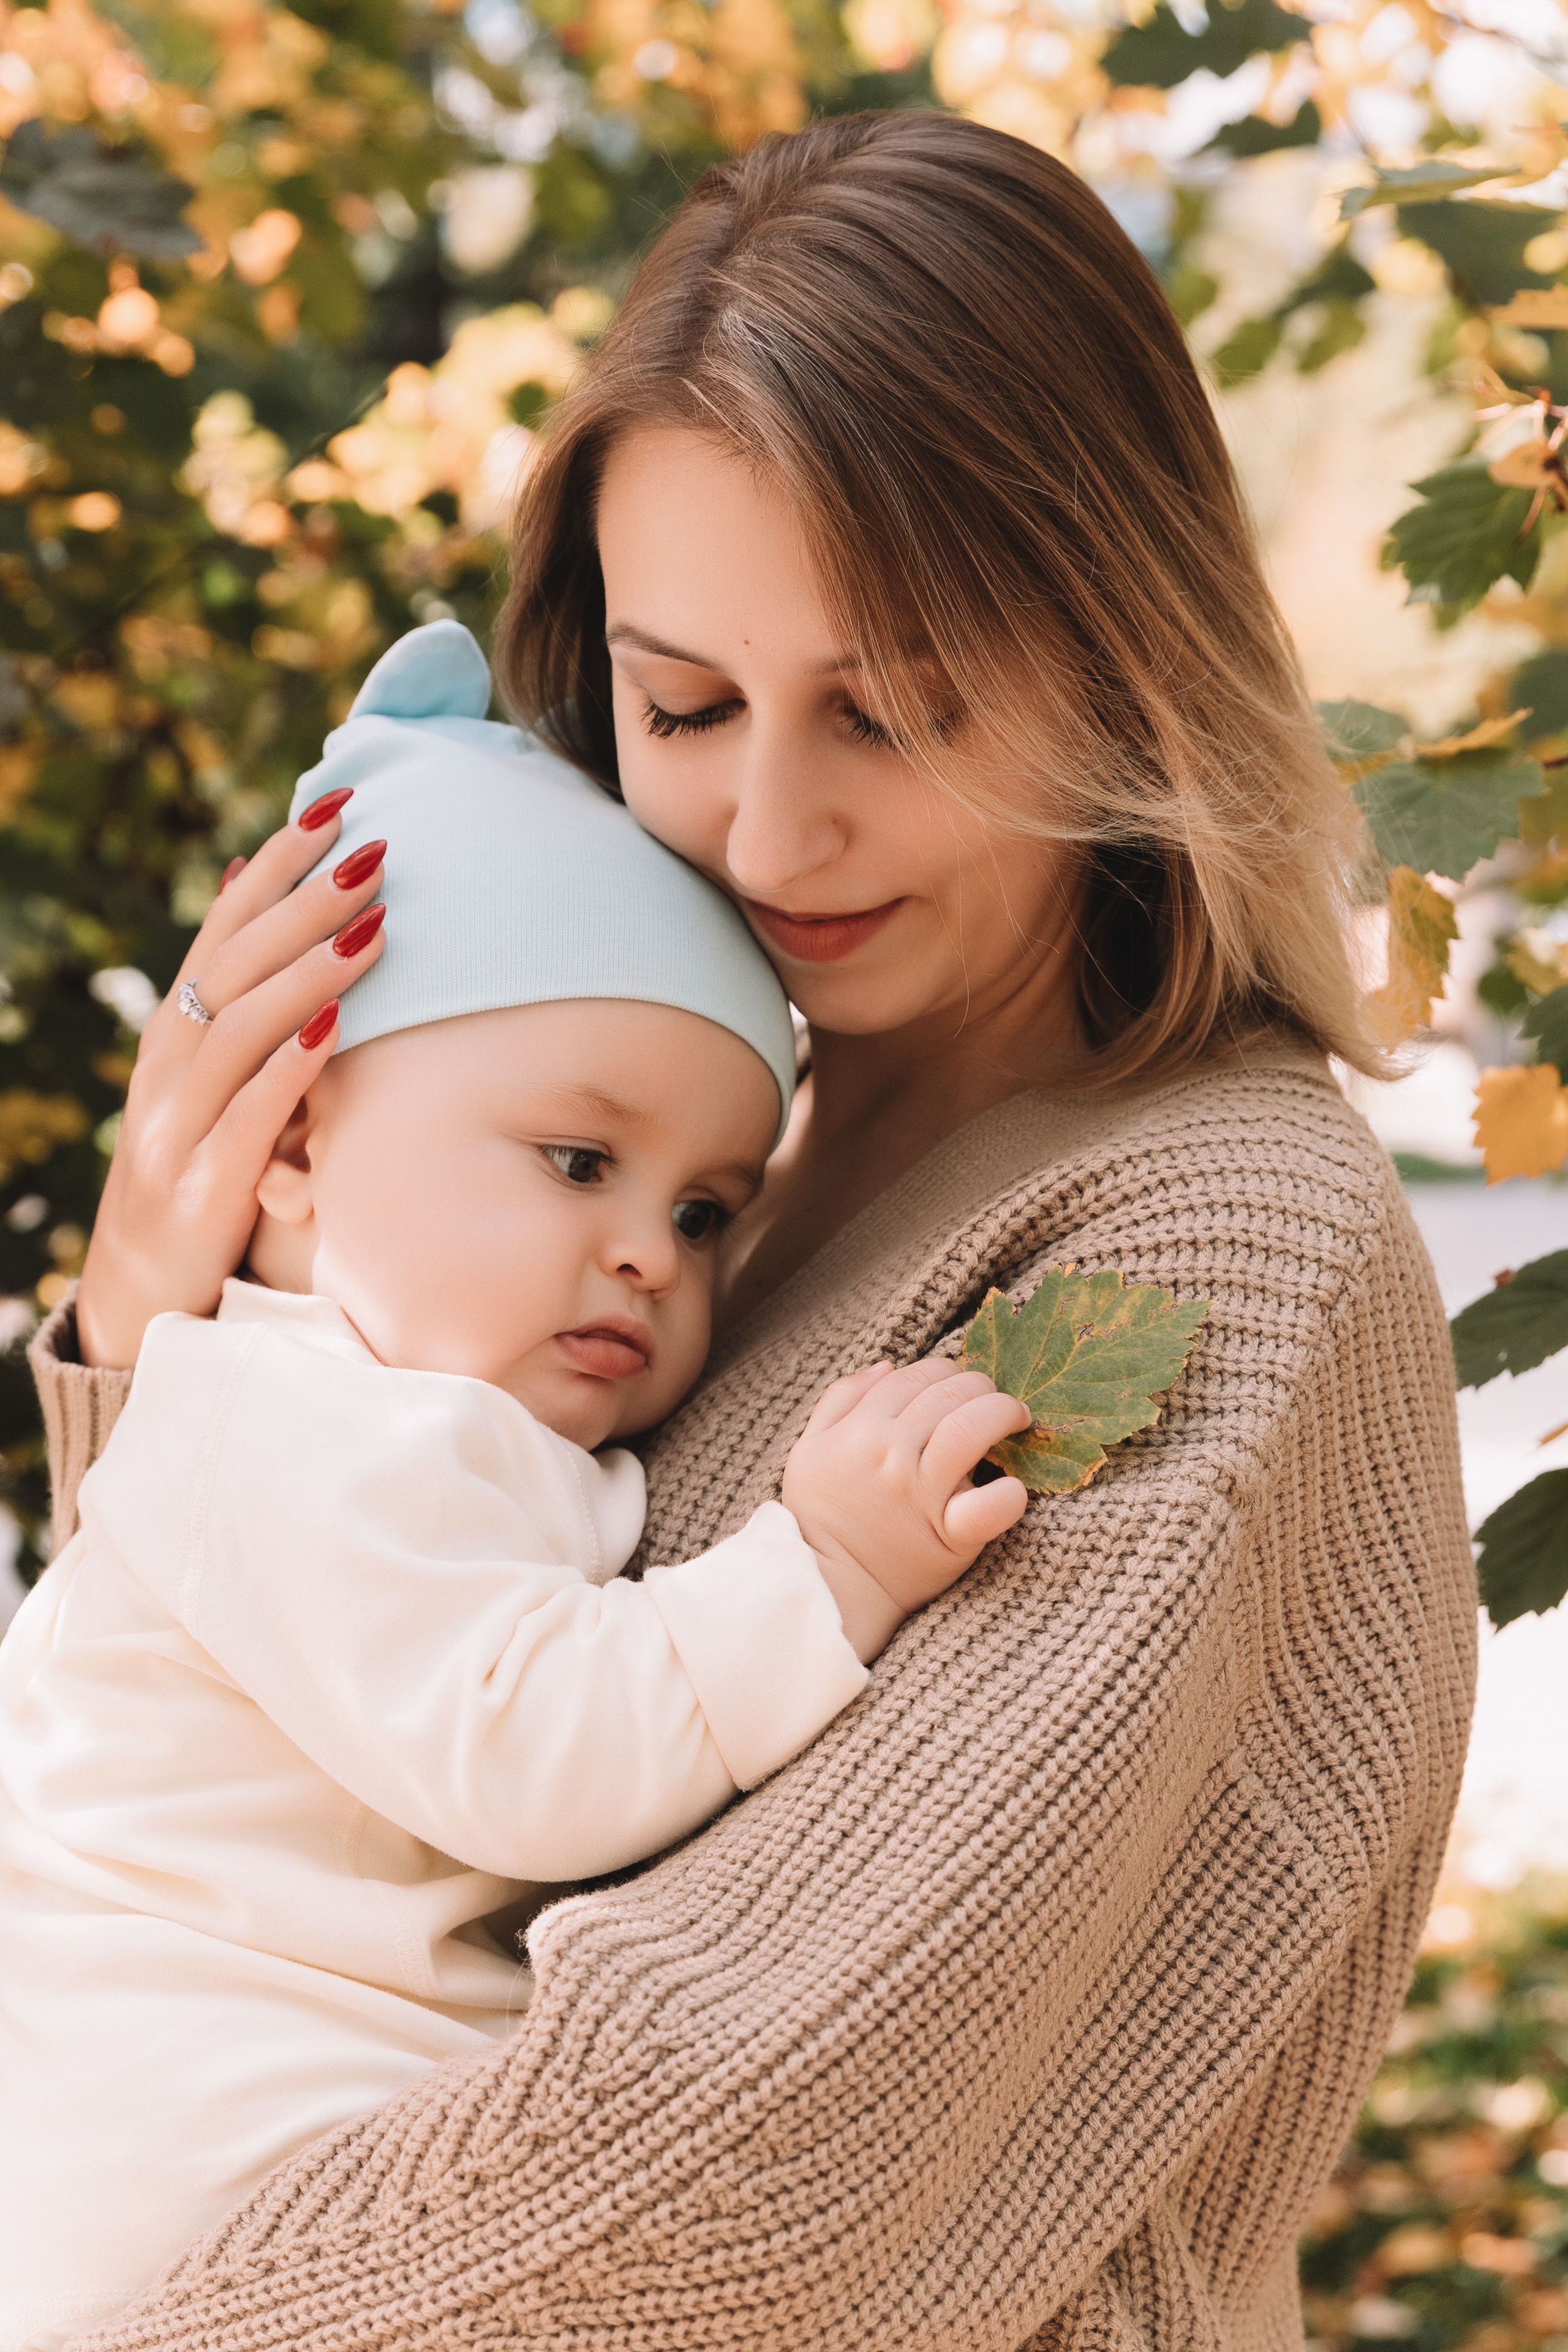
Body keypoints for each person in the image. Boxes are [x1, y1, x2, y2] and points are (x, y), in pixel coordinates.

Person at [28, 112, 1476, 2351]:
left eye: (892, 711)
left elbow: (738, 2163)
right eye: (683, 704)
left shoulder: (1211, 1245)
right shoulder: (686, 1163)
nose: (772, 832)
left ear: (1125, 659)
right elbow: (258, 1824)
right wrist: (160, 1328)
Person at [0, 622, 1030, 2349]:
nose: (650, 1254)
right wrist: (824, 1568)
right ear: (298, 1143)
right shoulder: (293, 1426)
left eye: (705, 1211)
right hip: (193, 2164)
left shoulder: (407, 1418)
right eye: (576, 1160)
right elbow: (529, 1751)